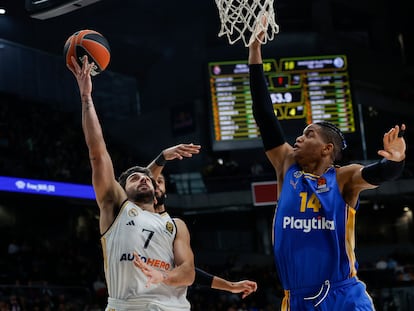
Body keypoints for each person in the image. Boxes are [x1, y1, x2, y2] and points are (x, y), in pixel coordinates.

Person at [248, 28, 407, 310]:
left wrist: (395, 161)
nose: (298, 138)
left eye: (308, 134)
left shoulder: (344, 178)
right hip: (296, 298)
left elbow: (378, 174)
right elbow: (265, 116)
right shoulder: (286, 165)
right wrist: (255, 54)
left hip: (343, 294)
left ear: (327, 149)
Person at [68, 55, 198, 311]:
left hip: (173, 306)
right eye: (134, 178)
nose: (143, 180)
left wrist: (163, 277)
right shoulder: (117, 208)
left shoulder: (174, 225)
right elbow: (98, 152)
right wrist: (86, 98)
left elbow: (188, 272)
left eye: (147, 178)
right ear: (121, 190)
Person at [145, 145, 258, 299]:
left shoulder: (176, 225)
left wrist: (230, 286)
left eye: (160, 181)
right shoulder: (131, 215)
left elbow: (188, 271)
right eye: (152, 182)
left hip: (166, 300)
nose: (155, 185)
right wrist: (162, 157)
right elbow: (143, 181)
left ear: (166, 189)